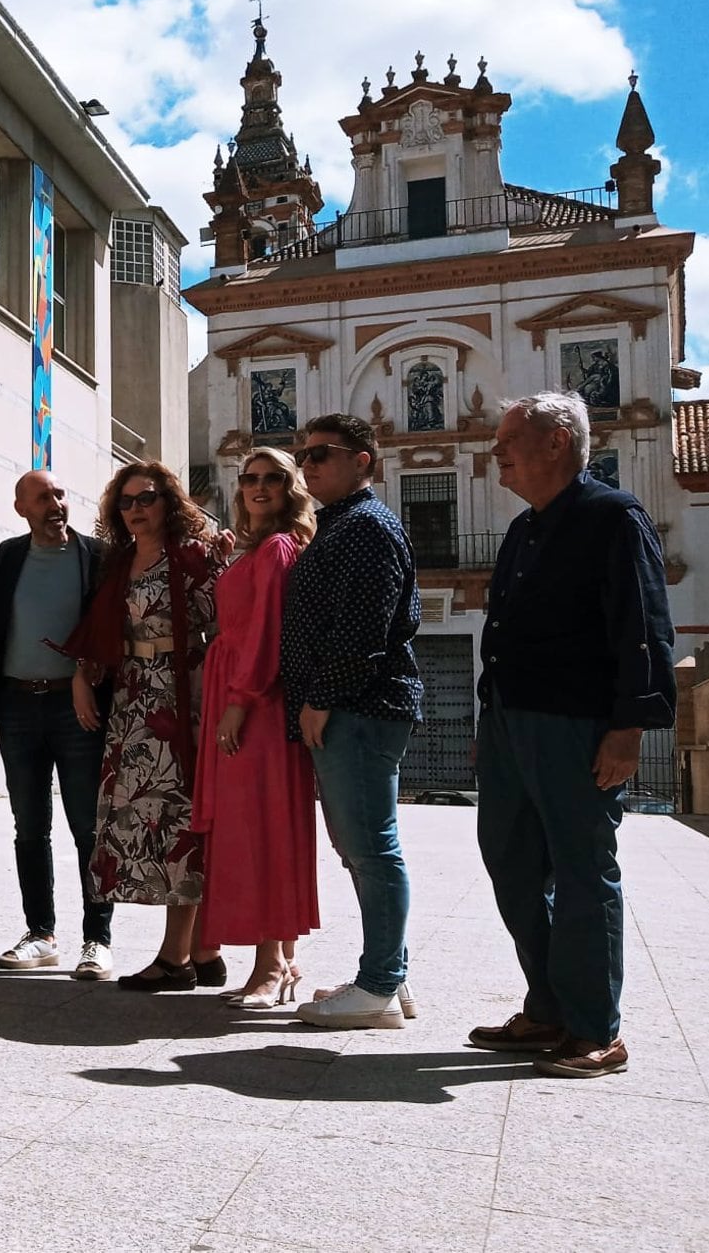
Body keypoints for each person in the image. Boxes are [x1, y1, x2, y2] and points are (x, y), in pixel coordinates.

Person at [468, 392, 676, 1078]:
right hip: (509, 723)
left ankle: (596, 1029)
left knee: (584, 873)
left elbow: (643, 625)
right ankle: (549, 1007)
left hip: (576, 724)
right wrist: (488, 719)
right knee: (512, 863)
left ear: (556, 442)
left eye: (509, 439)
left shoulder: (612, 516)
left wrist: (629, 726)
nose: (497, 452)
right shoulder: (525, 529)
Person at [281, 413, 423, 1031]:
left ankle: (378, 987)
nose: (307, 465)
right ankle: (390, 973)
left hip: (359, 709)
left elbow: (362, 630)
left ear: (363, 460)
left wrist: (322, 698)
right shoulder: (339, 525)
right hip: (349, 708)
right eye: (303, 455)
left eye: (321, 455)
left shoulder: (365, 527)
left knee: (370, 849)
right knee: (361, 847)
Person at [64, 462, 227, 991]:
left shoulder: (196, 557)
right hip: (132, 698)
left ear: (168, 503)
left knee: (180, 822)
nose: (136, 508)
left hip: (181, 699)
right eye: (127, 501)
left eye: (147, 498)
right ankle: (203, 950)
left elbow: (225, 628)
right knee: (148, 822)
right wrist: (83, 678)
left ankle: (177, 957)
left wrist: (223, 703)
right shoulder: (121, 561)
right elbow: (102, 631)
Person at [192, 449, 319, 1007]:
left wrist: (240, 702)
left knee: (263, 828)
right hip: (240, 692)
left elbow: (267, 631)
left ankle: (271, 964)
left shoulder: (277, 548)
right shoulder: (256, 547)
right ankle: (280, 960)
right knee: (252, 827)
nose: (259, 487)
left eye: (272, 479)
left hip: (258, 705)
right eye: (249, 479)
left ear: (291, 488)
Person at [0, 469, 113, 978]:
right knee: (29, 827)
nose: (55, 503)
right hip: (17, 706)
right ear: (21, 509)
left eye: (59, 494)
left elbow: (108, 627)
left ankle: (97, 939)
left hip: (75, 708)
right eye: (42, 498)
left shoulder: (95, 558)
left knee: (87, 826)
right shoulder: (7, 557)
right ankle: (41, 933)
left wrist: (87, 671)